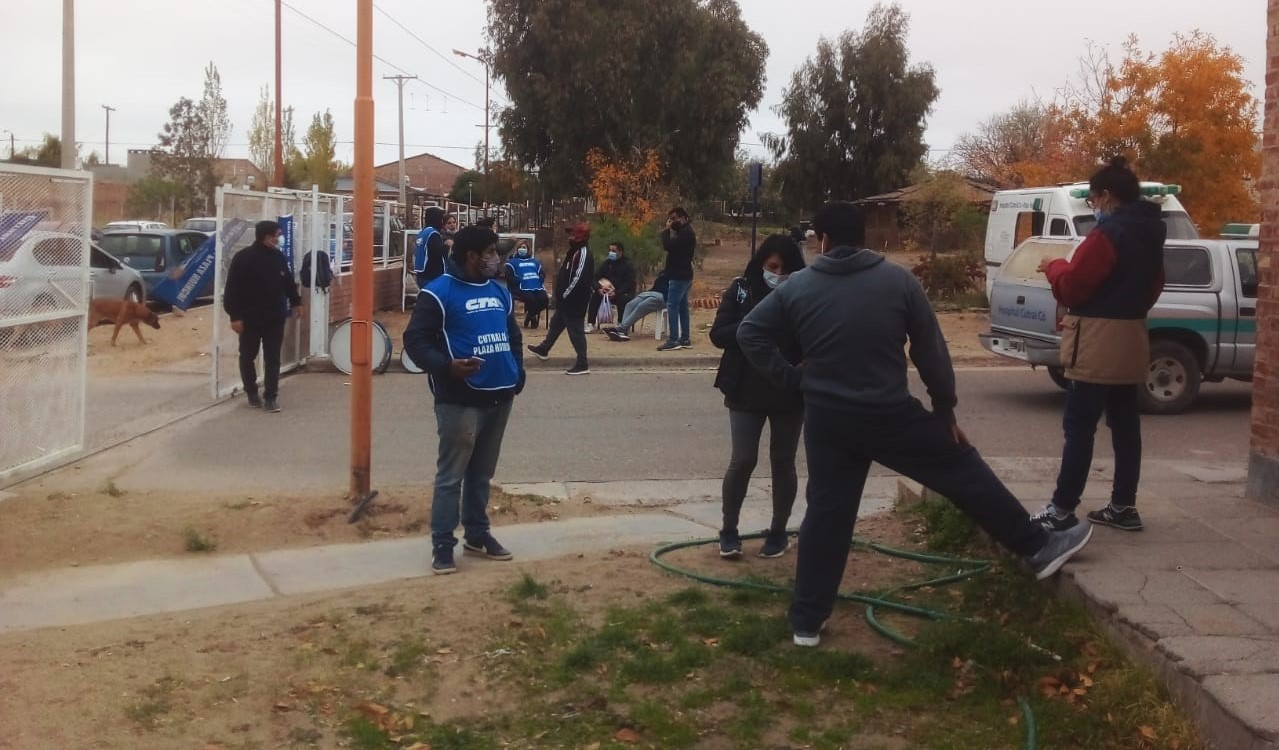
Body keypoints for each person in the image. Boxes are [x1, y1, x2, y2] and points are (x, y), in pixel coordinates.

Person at [737, 201, 1094, 648]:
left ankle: (806, 622)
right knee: (961, 469)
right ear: (863, 238)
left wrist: (793, 378)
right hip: (889, 414)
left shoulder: (797, 288)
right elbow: (930, 350)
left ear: (821, 241)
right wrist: (944, 409)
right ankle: (1037, 547)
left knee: (827, 515)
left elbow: (749, 332)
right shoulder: (898, 281)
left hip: (828, 421)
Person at [1033, 157, 1166, 533]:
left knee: (1079, 425)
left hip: (1096, 339)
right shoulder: (1152, 233)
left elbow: (1074, 285)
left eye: (1093, 201)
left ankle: (1061, 510)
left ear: (1107, 197)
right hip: (1132, 335)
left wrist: (1054, 267)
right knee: (1125, 424)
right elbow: (1155, 284)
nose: (1095, 208)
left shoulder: (1106, 236)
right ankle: (1123, 505)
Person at [403, 225, 525, 575]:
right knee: (451, 476)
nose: (496, 258)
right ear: (472, 256)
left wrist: (517, 373)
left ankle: (477, 533)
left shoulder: (499, 291)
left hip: (500, 396)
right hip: (460, 400)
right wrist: (447, 367)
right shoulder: (438, 292)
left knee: (481, 474)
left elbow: (512, 335)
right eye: (490, 252)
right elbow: (415, 341)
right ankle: (443, 545)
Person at [710, 235, 807, 559]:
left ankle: (778, 532)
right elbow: (718, 335)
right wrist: (752, 327)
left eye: (786, 269)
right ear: (761, 263)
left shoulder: (803, 293)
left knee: (783, 462)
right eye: (773, 267)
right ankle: (728, 531)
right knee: (743, 460)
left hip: (789, 391)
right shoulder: (742, 289)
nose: (778, 274)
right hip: (745, 388)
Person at [223, 220, 303, 413]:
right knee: (248, 356)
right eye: (276, 235)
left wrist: (296, 302)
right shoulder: (243, 258)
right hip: (249, 319)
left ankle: (271, 397)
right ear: (266, 236)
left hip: (274, 317)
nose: (278, 238)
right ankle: (251, 392)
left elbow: (288, 282)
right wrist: (235, 316)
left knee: (273, 358)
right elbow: (231, 290)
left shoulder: (278, 257)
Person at [528, 222, 594, 375]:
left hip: (575, 301)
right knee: (556, 324)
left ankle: (582, 363)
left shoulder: (583, 253)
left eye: (573, 234)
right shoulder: (574, 251)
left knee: (576, 332)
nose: (570, 237)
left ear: (580, 236)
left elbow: (578, 278)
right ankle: (544, 349)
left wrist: (565, 294)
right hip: (566, 300)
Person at [657, 206, 696, 351]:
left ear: (683, 218)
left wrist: (666, 231)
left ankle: (673, 339)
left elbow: (668, 246)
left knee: (672, 305)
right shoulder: (685, 232)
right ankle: (685, 338)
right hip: (684, 275)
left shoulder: (686, 234)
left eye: (674, 219)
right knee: (682, 306)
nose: (671, 222)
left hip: (679, 276)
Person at [604, 271, 670, 341]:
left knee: (641, 306)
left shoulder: (676, 276)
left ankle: (622, 328)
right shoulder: (664, 273)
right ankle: (623, 331)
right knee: (629, 305)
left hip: (665, 297)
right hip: (652, 293)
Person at [587, 241, 637, 332]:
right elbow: (594, 278)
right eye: (610, 250)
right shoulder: (607, 263)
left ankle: (621, 325)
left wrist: (616, 292)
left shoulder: (628, 264)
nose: (611, 253)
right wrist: (599, 288)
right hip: (607, 292)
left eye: (613, 251)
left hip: (622, 293)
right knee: (595, 296)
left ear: (620, 252)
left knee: (623, 299)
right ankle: (591, 324)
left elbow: (630, 283)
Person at [505, 240, 548, 328]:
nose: (522, 249)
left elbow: (542, 273)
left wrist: (540, 279)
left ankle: (530, 315)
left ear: (528, 249)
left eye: (524, 247)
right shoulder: (511, 262)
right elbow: (509, 277)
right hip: (520, 287)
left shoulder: (535, 261)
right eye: (520, 247)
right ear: (517, 249)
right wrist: (518, 281)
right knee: (531, 299)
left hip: (536, 286)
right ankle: (532, 317)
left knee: (544, 300)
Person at [412, 207, 448, 287]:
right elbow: (437, 252)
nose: (442, 221)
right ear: (436, 219)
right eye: (441, 218)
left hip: (422, 274)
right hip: (432, 276)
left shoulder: (423, 232)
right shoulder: (433, 233)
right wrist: (447, 245)